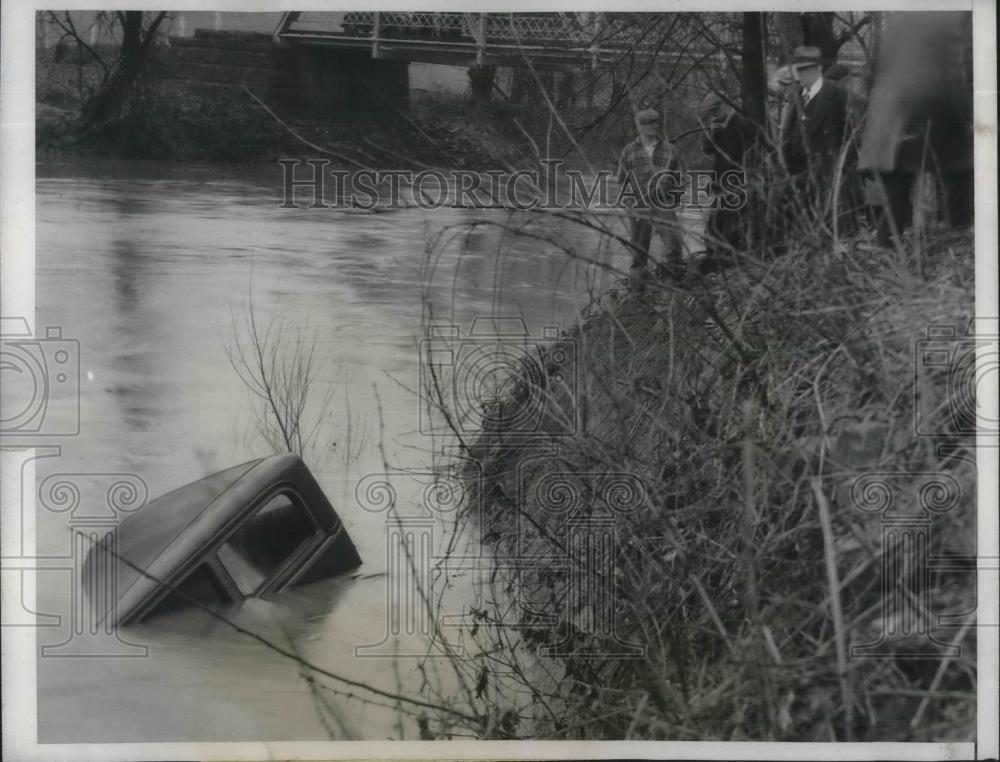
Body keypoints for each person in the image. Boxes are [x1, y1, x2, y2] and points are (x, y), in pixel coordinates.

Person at [858, 11, 973, 247]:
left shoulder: (901, 22)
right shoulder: (944, 18)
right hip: (925, 108)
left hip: (889, 116)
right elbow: (952, 72)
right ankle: (958, 233)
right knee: (960, 167)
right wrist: (968, 116)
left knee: (898, 183)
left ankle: (886, 241)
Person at [780, 46, 849, 228]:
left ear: (818, 70)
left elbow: (852, 138)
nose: (800, 75)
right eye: (798, 70)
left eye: (805, 70)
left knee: (827, 229)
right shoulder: (797, 99)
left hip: (827, 178)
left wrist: (840, 168)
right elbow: (787, 138)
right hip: (798, 180)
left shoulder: (838, 97)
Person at [616, 108, 685, 288]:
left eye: (654, 122)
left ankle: (671, 286)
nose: (652, 127)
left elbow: (681, 179)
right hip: (639, 205)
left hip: (663, 204)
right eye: (647, 124)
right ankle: (636, 291)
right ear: (638, 126)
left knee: (674, 245)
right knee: (638, 250)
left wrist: (672, 198)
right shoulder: (629, 151)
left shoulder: (670, 150)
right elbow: (622, 182)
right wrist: (630, 205)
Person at [698, 92, 753, 268]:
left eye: (715, 110)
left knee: (729, 221)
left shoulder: (741, 123)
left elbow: (747, 155)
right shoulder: (717, 125)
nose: (714, 115)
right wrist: (712, 131)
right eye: (711, 112)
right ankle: (714, 256)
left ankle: (727, 259)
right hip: (720, 180)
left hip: (737, 181)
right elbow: (708, 150)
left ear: (724, 105)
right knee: (714, 220)